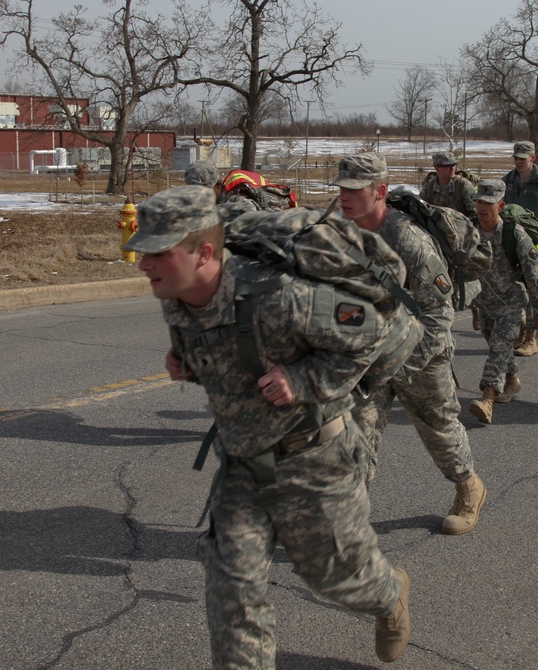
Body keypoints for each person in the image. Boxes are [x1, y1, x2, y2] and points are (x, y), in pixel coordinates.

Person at [125, 185, 411, 668]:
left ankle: (389, 595)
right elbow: (223, 357)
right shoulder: (175, 297)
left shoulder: (278, 298)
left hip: (314, 460)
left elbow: (370, 333)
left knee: (336, 577)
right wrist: (187, 364)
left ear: (205, 253)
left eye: (158, 253)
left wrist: (301, 379)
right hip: (241, 466)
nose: (143, 264)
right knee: (231, 590)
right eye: (142, 251)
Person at [333, 152, 486, 536]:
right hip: (371, 353)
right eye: (341, 188)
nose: (344, 196)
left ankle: (469, 488)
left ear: (380, 191)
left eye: (355, 189)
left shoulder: (409, 240)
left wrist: (403, 363)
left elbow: (438, 314)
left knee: (439, 430)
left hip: (421, 354)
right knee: (357, 436)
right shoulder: (344, 234)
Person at [468, 179, 538, 424]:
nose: (482, 207)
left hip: (511, 305)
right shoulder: (468, 231)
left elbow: (535, 275)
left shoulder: (514, 234)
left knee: (498, 348)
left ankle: (487, 399)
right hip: (484, 305)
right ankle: (512, 381)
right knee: (499, 349)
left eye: (489, 203)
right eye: (479, 201)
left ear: (501, 205)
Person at [503, 140, 538, 356]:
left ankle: (531, 338)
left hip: (535, 246)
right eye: (516, 158)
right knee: (513, 292)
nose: (518, 162)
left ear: (533, 158)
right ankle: (519, 333)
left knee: (534, 290)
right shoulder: (507, 181)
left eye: (522, 158)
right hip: (509, 245)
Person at [420, 151, 477, 222]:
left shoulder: (462, 185)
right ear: (437, 168)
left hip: (461, 229)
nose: (452, 168)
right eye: (448, 166)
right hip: (435, 230)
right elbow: (421, 211)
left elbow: (475, 214)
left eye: (454, 165)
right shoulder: (429, 187)